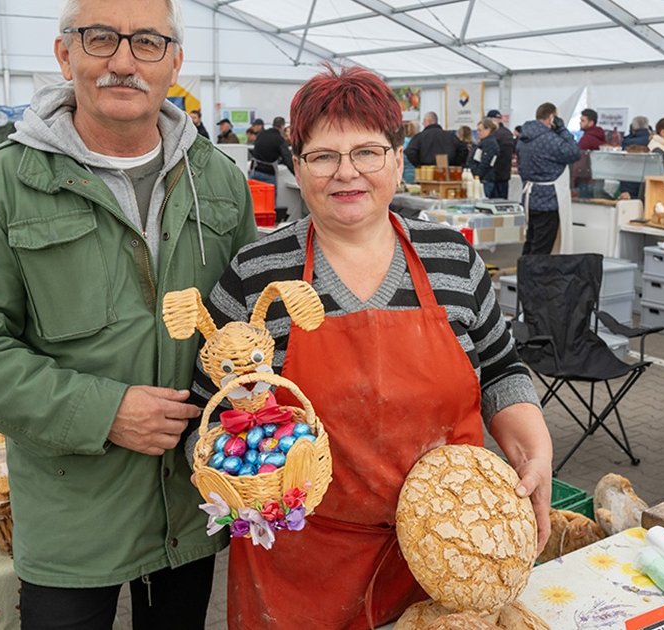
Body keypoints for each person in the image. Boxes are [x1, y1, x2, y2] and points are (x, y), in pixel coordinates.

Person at [0, 0, 258, 627]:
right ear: (64, 54)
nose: (124, 62)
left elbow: (245, 327)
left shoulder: (217, 181)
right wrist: (105, 412)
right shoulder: (0, 186)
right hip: (70, 513)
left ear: (175, 62)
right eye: (100, 38)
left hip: (191, 502)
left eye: (147, 43)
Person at [197, 65, 551, 629]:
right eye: (323, 156)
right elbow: (208, 408)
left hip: (449, 562)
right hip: (303, 571)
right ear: (297, 167)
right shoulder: (257, 273)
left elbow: (501, 367)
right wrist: (238, 482)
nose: (347, 172)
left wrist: (535, 449)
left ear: (397, 159)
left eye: (367, 152)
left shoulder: (452, 259)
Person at [516, 102, 581, 255]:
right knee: (542, 248)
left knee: (531, 241)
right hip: (548, 200)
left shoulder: (523, 138)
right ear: (552, 117)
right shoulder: (549, 139)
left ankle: (524, 269)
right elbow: (574, 153)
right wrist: (562, 129)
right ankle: (535, 271)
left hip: (530, 197)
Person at [249, 116, 293, 185]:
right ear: (282, 126)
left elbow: (255, 151)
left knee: (255, 192)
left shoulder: (261, 134)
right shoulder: (279, 139)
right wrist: (296, 173)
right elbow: (287, 158)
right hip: (269, 173)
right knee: (269, 192)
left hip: (255, 170)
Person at [467, 117, 500, 196]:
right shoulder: (484, 142)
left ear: (488, 129)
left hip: (484, 180)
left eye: (480, 130)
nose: (478, 133)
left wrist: (477, 175)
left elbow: (485, 163)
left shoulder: (490, 144)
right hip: (481, 179)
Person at [487, 109, 514, 199]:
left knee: (493, 202)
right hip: (505, 173)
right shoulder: (508, 133)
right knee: (503, 202)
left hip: (493, 175)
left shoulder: (493, 134)